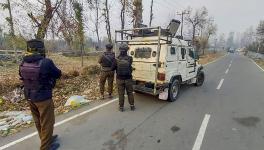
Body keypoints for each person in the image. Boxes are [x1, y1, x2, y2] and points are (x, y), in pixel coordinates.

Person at [19, 39, 61, 150]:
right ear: (41, 49)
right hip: (43, 98)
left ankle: (46, 139)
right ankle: (45, 147)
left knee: (38, 121)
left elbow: (22, 76)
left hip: (29, 96)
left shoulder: (22, 62)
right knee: (47, 122)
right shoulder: (46, 62)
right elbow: (58, 74)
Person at [112, 43, 135, 112]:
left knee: (121, 93)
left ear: (120, 50)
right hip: (128, 79)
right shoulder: (130, 58)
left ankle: (121, 107)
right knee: (130, 92)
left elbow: (112, 68)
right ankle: (132, 106)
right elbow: (129, 66)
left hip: (120, 79)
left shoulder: (116, 59)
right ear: (127, 50)